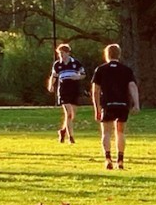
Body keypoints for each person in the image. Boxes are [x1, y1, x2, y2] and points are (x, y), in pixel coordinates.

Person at [91, 42, 139, 170]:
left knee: (106, 132)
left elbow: (95, 90)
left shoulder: (100, 70)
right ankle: (121, 160)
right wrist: (136, 104)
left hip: (108, 104)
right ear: (119, 55)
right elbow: (132, 86)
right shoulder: (126, 70)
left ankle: (107, 159)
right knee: (120, 132)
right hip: (123, 104)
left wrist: (97, 108)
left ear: (106, 55)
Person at [47, 43, 89, 144]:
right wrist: (51, 85)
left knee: (71, 115)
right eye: (59, 53)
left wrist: (77, 77)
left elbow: (83, 75)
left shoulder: (75, 63)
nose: (61, 55)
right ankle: (71, 137)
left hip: (74, 89)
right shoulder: (57, 64)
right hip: (63, 90)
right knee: (68, 113)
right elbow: (54, 76)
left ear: (68, 53)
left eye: (63, 53)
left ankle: (63, 131)